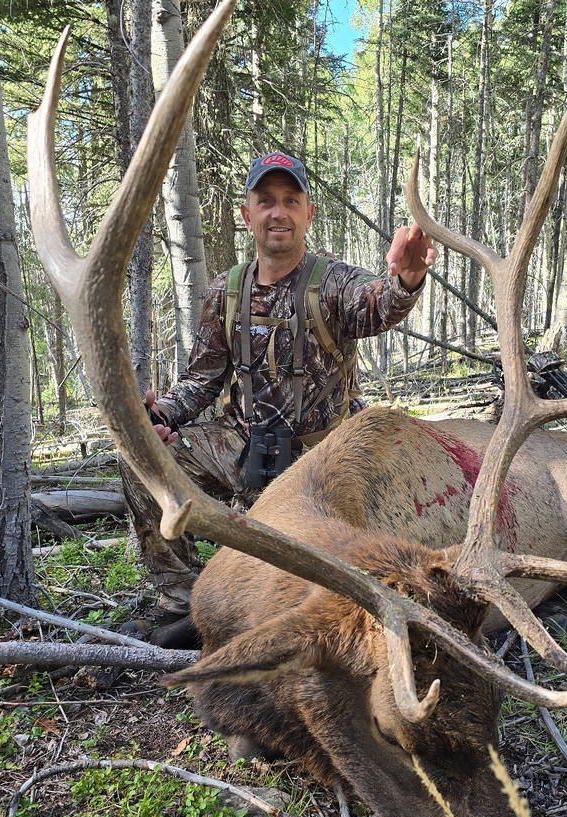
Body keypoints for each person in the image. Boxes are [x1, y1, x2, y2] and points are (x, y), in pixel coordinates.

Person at [125, 151, 437, 616]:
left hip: (321, 457)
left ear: (308, 213)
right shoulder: (226, 291)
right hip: (243, 448)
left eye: (291, 201)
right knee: (142, 461)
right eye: (266, 200)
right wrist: (160, 415)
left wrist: (406, 280)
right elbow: (200, 380)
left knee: (327, 575)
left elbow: (376, 306)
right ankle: (184, 600)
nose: (279, 213)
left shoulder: (334, 282)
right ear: (246, 213)